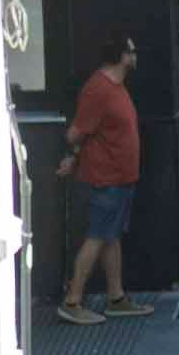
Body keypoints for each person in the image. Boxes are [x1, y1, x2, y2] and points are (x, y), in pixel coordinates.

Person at [51, 33, 147, 326]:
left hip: (120, 177)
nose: (135, 55)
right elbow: (76, 132)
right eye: (132, 51)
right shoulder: (99, 90)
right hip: (105, 179)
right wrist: (72, 155)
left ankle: (116, 298)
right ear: (121, 56)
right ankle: (72, 301)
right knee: (97, 237)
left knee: (110, 237)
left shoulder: (114, 87)